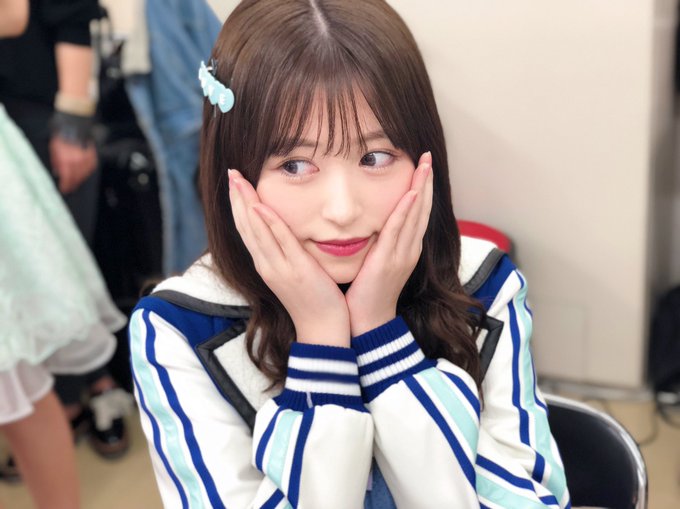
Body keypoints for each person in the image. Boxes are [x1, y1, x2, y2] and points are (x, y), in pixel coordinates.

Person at [130, 1, 570, 507]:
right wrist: (322, 339)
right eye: (295, 165)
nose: (342, 210)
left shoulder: (483, 283)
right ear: (233, 173)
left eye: (374, 157)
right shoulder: (179, 328)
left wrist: (381, 337)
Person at [0, 1, 126, 506]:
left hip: (45, 113)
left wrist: (74, 122)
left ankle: (92, 393)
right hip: (15, 110)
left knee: (55, 281)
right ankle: (75, 399)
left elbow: (30, 14)